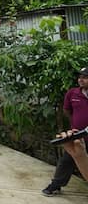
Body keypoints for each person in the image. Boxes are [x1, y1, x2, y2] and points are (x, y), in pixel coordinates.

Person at [42, 67, 88, 196]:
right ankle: (56, 185)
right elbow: (67, 111)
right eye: (80, 77)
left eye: (85, 77)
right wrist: (75, 123)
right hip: (77, 136)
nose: (81, 80)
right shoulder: (72, 93)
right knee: (67, 160)